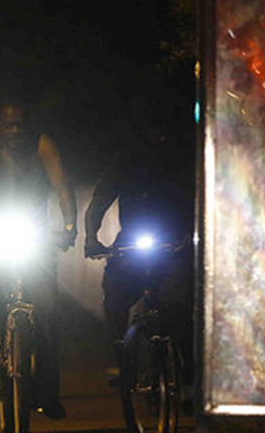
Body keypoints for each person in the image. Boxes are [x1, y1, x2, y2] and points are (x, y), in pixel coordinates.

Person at [0, 99, 77, 420]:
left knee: (48, 312)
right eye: (8, 125)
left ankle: (49, 394)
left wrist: (69, 226)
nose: (14, 131)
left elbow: (62, 185)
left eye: (20, 125)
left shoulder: (42, 147)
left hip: (34, 233)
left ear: (30, 127)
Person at [83, 107, 195, 383]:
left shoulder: (182, 163)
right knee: (115, 298)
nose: (157, 140)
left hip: (175, 246)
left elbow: (201, 199)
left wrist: (194, 238)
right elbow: (99, 202)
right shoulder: (125, 163)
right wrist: (91, 238)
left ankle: (190, 373)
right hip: (132, 244)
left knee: (178, 306)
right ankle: (125, 362)